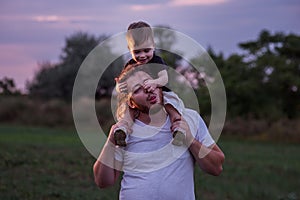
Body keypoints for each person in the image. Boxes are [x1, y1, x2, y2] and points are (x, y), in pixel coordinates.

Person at [93, 64, 225, 200]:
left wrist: (190, 140)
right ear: (131, 103)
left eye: (148, 82)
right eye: (137, 89)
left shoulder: (189, 119)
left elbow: (216, 167)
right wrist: (110, 142)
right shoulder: (124, 132)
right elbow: (102, 181)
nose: (147, 90)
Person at [114, 21, 185, 147]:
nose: (142, 56)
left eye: (146, 50)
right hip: (139, 100)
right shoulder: (130, 65)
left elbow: (164, 78)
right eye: (137, 52)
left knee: (171, 108)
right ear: (129, 50)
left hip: (162, 94)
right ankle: (123, 130)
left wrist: (155, 82)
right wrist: (119, 87)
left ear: (153, 45)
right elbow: (122, 81)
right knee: (127, 110)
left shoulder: (157, 61)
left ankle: (178, 129)